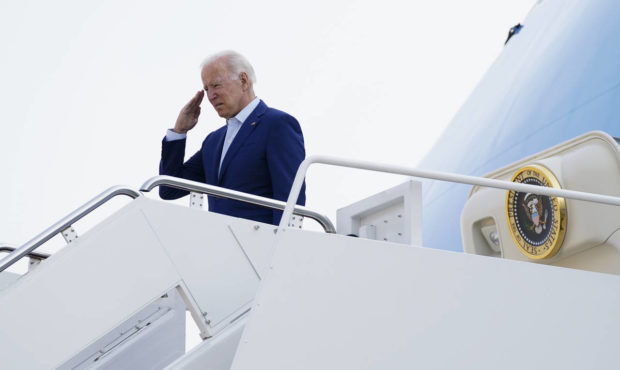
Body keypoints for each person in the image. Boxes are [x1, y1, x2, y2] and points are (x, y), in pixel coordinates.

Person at [159, 50, 306, 225]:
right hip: (220, 245)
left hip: (261, 246)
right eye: (206, 89)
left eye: (216, 85)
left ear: (243, 81)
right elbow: (168, 189)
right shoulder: (213, 141)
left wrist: (280, 248)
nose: (211, 96)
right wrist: (179, 132)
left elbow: (290, 199)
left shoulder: (277, 124)